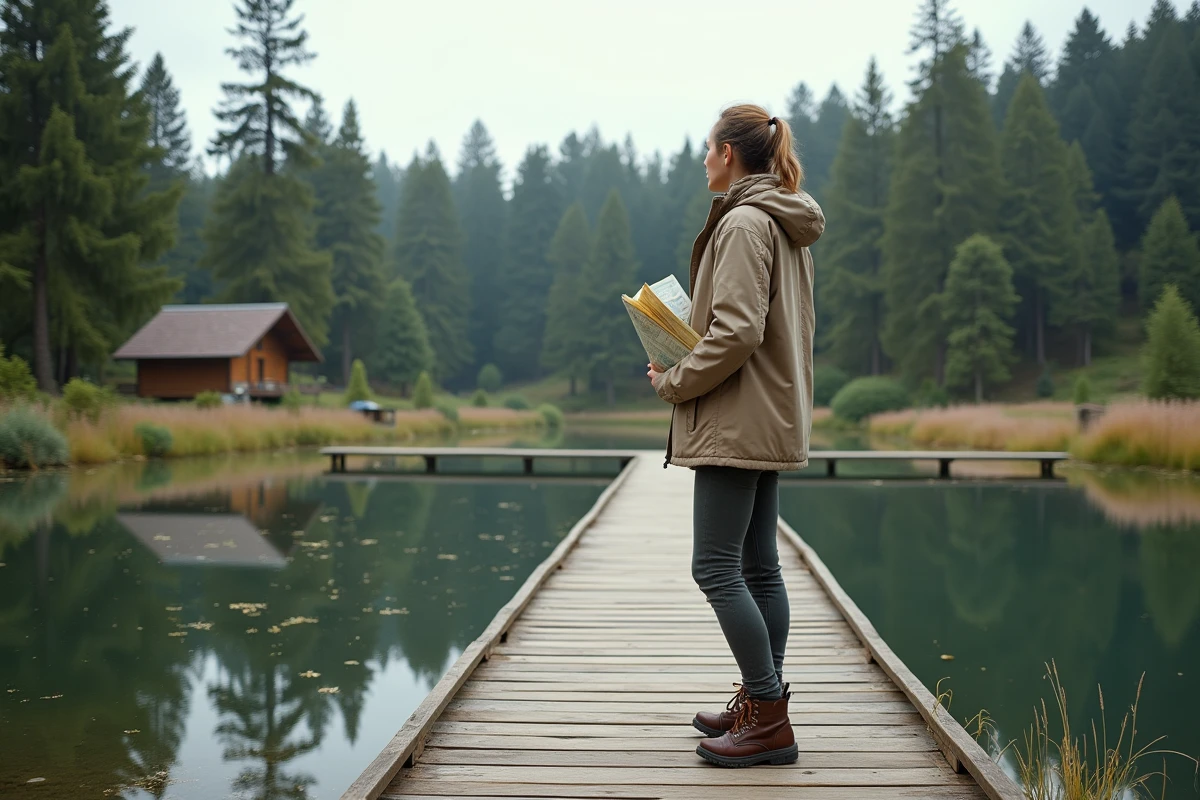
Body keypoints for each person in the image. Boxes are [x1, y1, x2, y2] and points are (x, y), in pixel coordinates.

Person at [647, 103, 824, 768]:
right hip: (767, 410)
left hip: (739, 415)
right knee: (757, 566)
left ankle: (767, 716)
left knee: (715, 567)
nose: (702, 158)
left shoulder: (746, 221)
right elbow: (756, 326)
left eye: (707, 147)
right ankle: (761, 700)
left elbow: (738, 331)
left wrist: (674, 379)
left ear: (729, 154)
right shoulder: (778, 218)